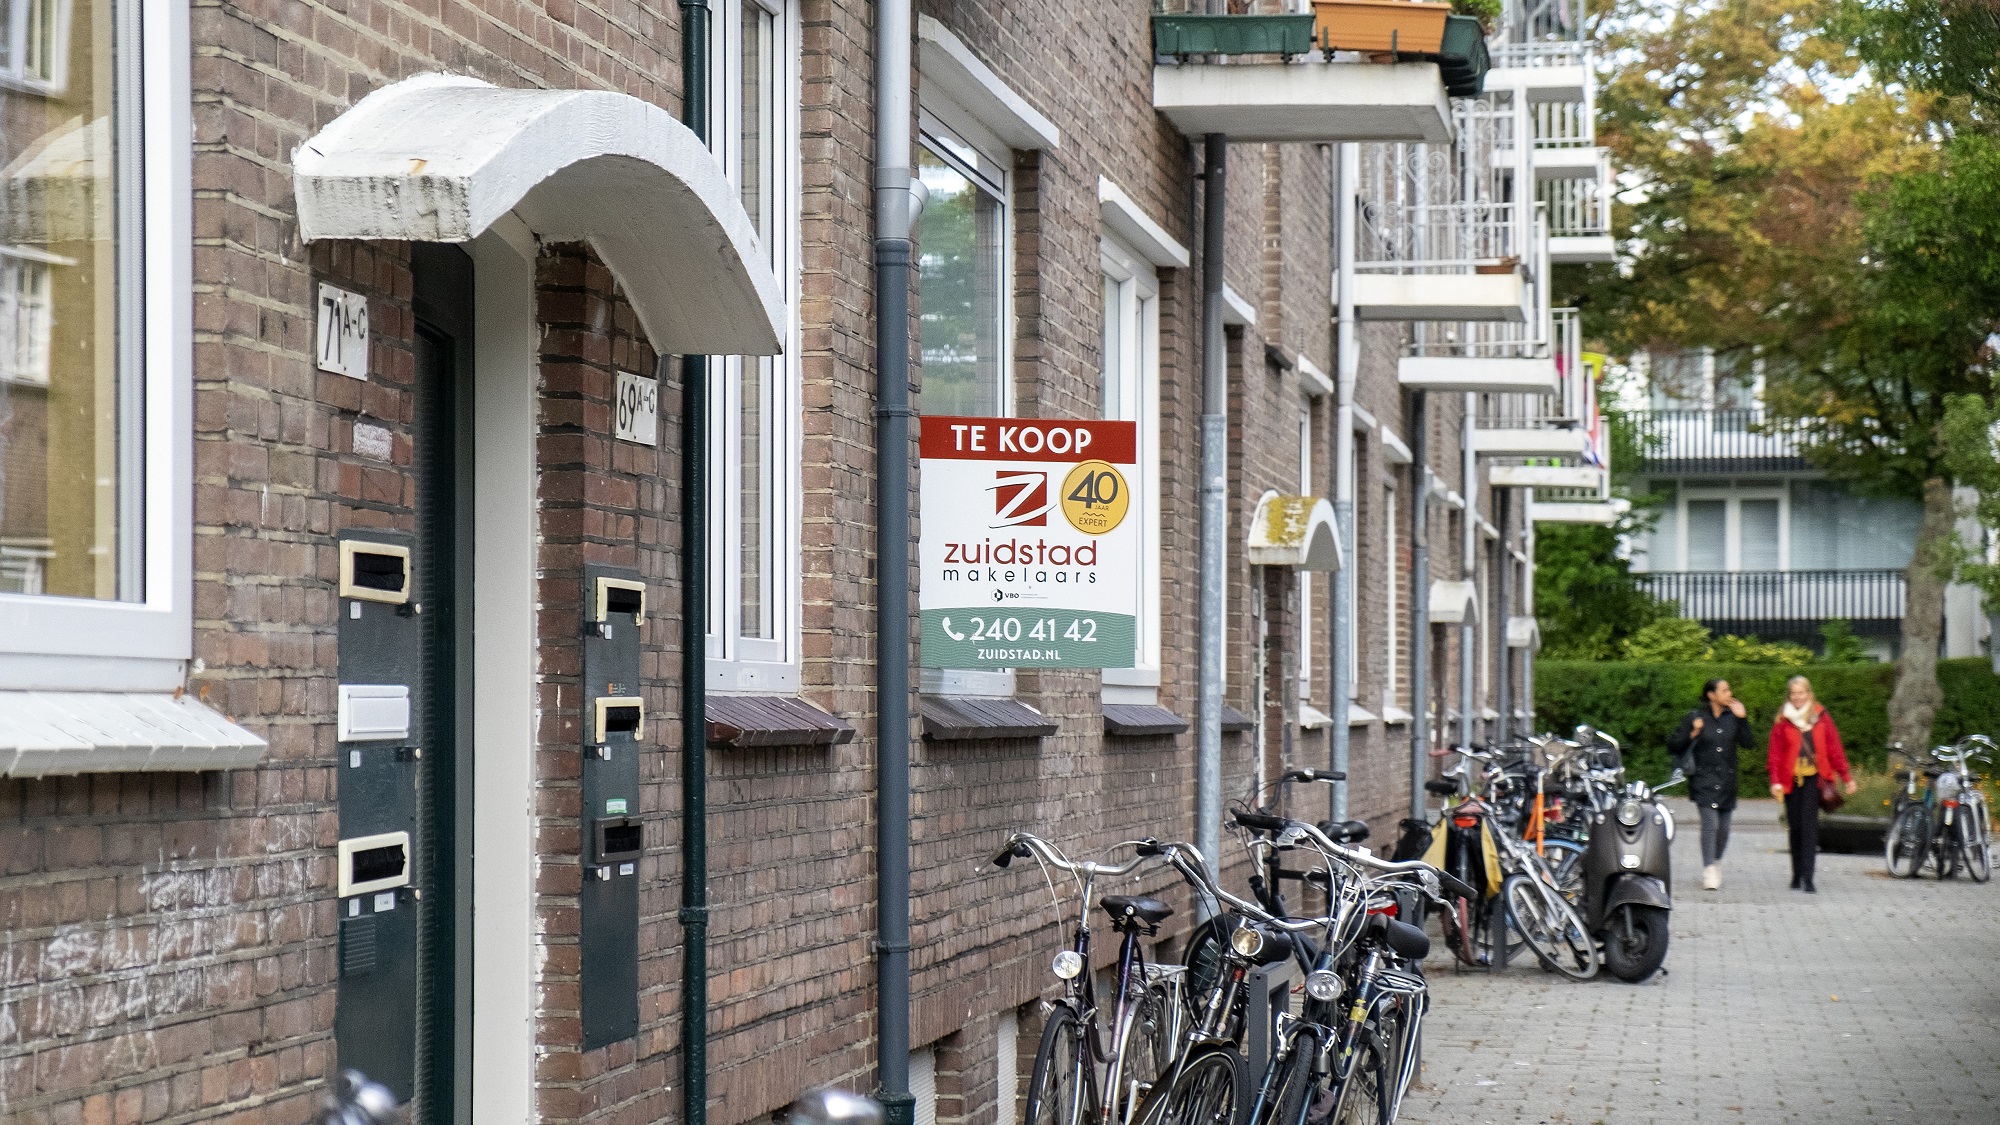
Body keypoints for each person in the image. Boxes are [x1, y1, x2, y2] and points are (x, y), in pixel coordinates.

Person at [1767, 675, 1857, 893]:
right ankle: (1796, 873)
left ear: (1809, 694)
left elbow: (1834, 747)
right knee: (1795, 827)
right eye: (1793, 693)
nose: (1797, 697)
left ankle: (1808, 877)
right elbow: (1775, 754)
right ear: (1789, 696)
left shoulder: (1821, 716)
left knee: (1809, 827)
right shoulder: (1782, 719)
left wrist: (1846, 777)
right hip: (1790, 781)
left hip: (1814, 779)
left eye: (1801, 693)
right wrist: (1775, 781)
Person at [1667, 678, 1756, 890]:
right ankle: (1708, 869)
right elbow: (1674, 745)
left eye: (1729, 689)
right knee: (1710, 825)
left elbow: (1749, 744)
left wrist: (1743, 719)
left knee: (1724, 829)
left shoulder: (1733, 717)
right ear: (1711, 695)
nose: (1729, 693)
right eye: (1724, 690)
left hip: (1727, 782)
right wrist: (1693, 733)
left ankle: (1716, 862)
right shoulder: (1696, 717)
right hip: (1703, 780)